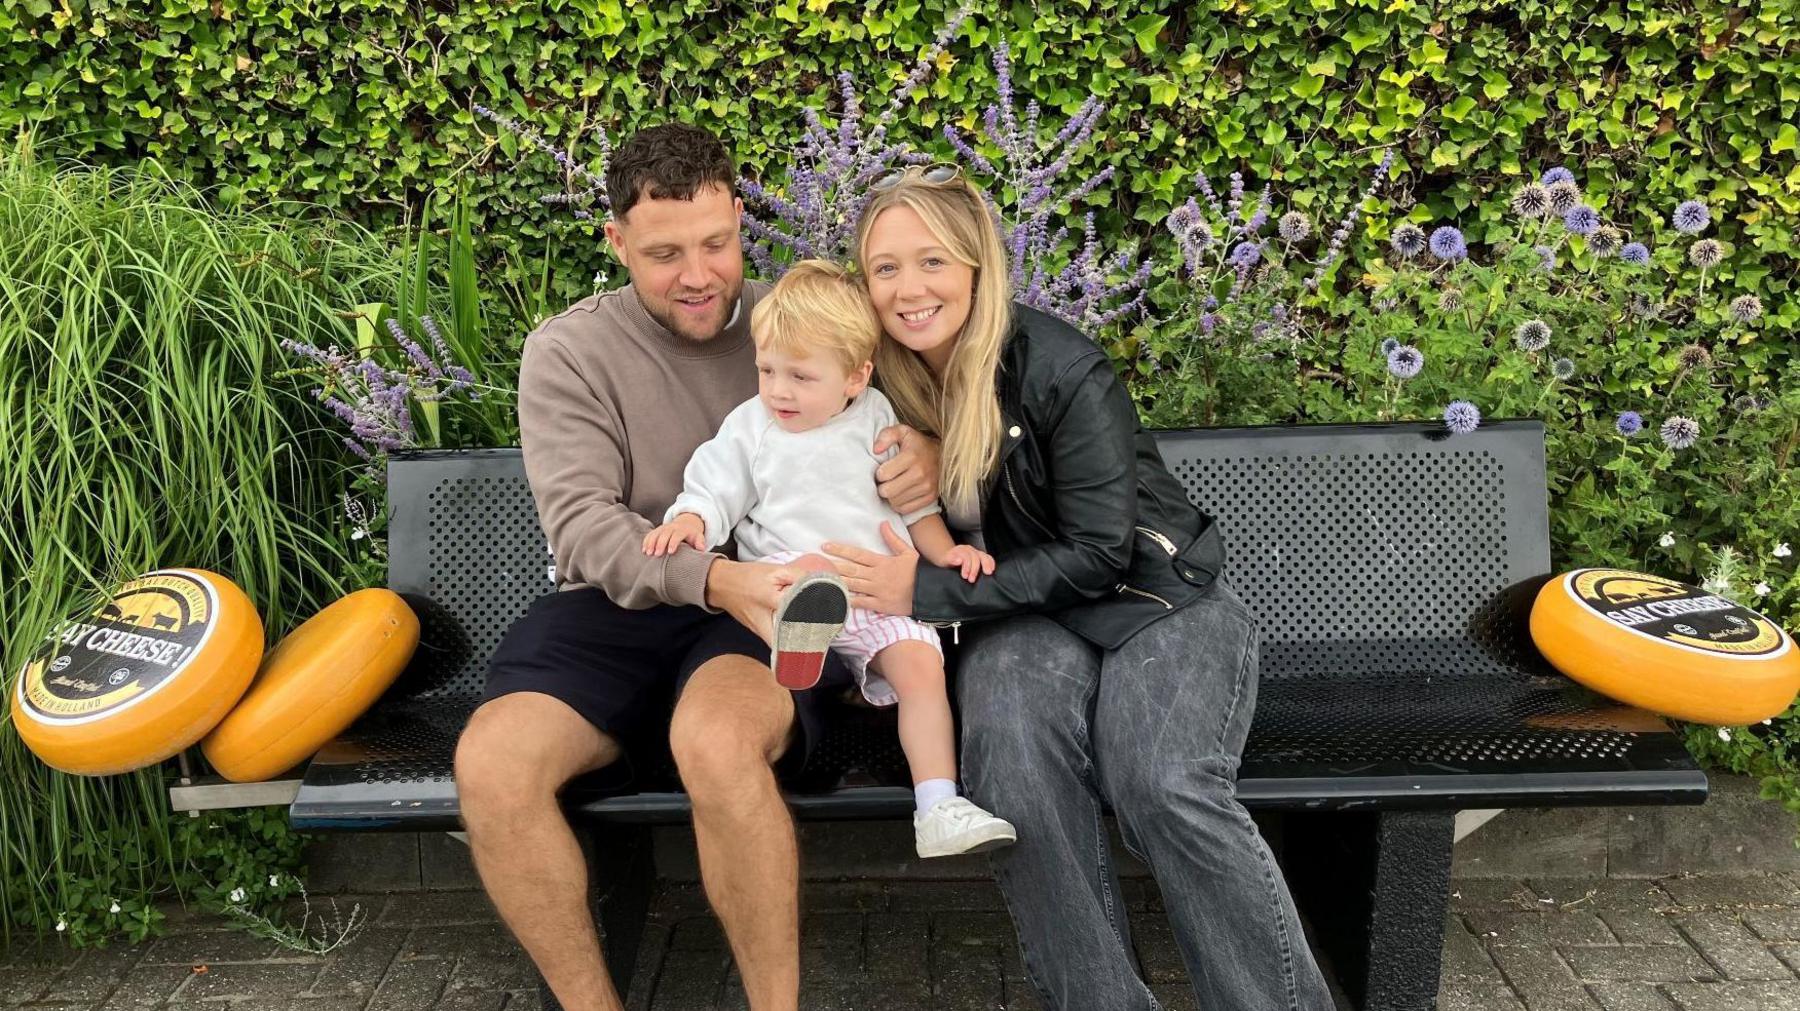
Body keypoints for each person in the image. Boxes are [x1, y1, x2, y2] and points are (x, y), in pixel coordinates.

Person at [451, 125, 942, 1011]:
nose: (699, 274)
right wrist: (713, 577)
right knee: (491, 762)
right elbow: (584, 530)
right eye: (664, 253)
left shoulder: (804, 317)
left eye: (716, 243)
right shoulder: (569, 351)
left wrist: (930, 461)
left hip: (767, 610)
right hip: (620, 603)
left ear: (742, 221)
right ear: (616, 242)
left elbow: (916, 425)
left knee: (714, 743)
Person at [822, 163, 1336, 1011]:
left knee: (1163, 780)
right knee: (1015, 771)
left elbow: (1101, 552)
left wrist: (925, 592)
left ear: (979, 265)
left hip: (1153, 598)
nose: (909, 288)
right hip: (1022, 620)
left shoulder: (1063, 367)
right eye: (885, 268)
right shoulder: (874, 384)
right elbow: (786, 397)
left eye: (933, 261)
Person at [642, 259, 1016, 858]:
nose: (778, 390)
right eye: (766, 369)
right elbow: (715, 487)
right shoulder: (753, 427)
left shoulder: (879, 419)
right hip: (792, 577)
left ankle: (938, 804)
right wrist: (691, 521)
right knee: (808, 577)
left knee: (922, 671)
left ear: (855, 376)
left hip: (876, 587)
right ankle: (801, 641)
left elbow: (914, 507)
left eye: (800, 376)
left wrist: (949, 556)